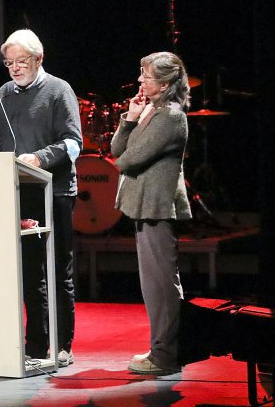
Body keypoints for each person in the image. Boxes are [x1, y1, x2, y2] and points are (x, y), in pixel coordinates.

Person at [0, 29, 82, 366]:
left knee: (58, 270)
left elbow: (73, 143)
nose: (14, 68)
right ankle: (36, 345)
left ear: (38, 59)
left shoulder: (59, 90)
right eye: (8, 63)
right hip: (19, 191)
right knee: (29, 270)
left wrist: (40, 158)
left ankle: (63, 344)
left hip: (54, 191)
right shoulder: (4, 94)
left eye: (21, 61)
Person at [111, 51, 193, 376]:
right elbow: (119, 149)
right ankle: (163, 347)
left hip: (158, 206)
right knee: (153, 283)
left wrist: (130, 144)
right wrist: (130, 118)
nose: (141, 80)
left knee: (161, 284)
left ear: (165, 81)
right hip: (144, 205)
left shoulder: (172, 117)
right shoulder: (152, 110)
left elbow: (129, 160)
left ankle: (166, 355)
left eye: (146, 75)